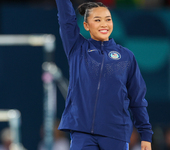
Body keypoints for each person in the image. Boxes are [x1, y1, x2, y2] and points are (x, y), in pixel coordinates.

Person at [55, 0, 153, 149]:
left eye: (108, 19)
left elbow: (137, 99)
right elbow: (66, 18)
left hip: (116, 134)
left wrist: (145, 134)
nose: (104, 24)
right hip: (82, 132)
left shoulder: (126, 56)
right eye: (97, 20)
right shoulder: (77, 48)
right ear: (86, 25)